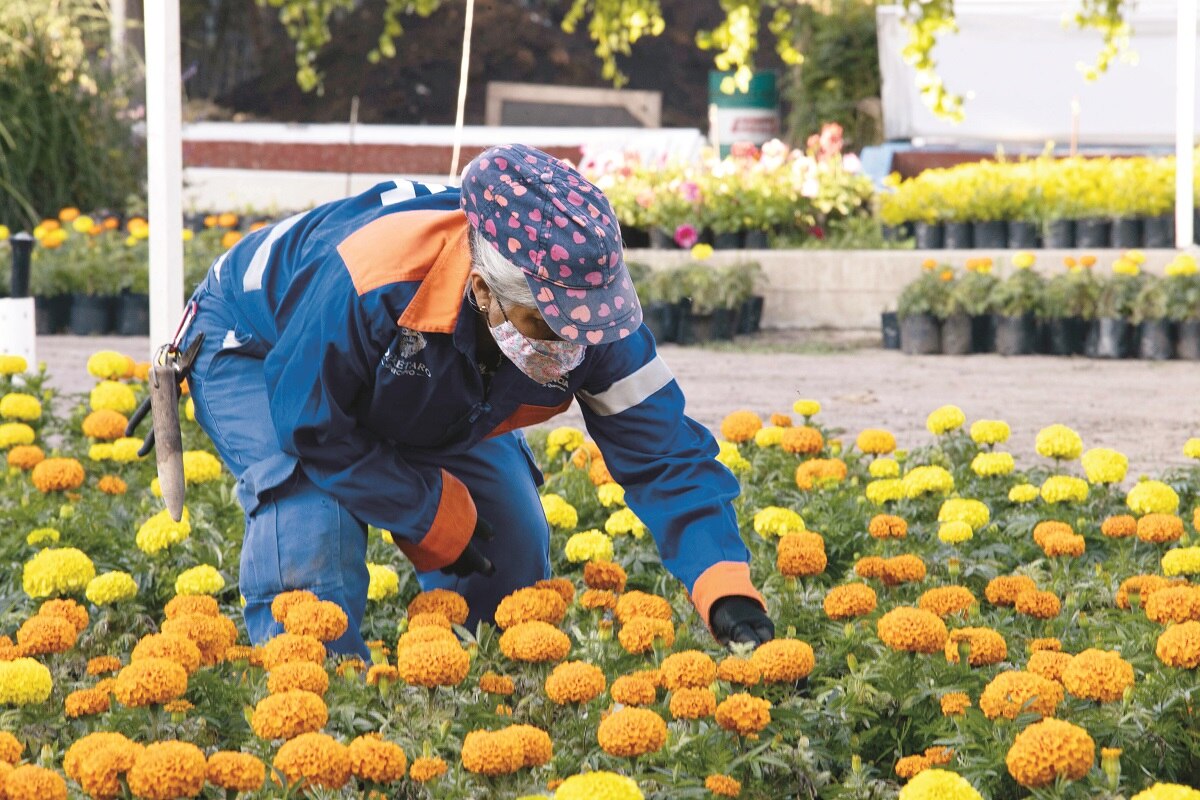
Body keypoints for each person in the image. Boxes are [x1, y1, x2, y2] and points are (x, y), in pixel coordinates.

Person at [180, 143, 774, 658]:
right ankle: (317, 707)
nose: (573, 346)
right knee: (309, 518)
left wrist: (724, 586)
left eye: (583, 328)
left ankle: (467, 697)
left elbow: (664, 454)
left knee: (507, 548)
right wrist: (422, 507)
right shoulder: (373, 279)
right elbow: (311, 427)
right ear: (484, 289)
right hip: (259, 342)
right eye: (549, 326)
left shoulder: (595, 320)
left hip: (420, 373)